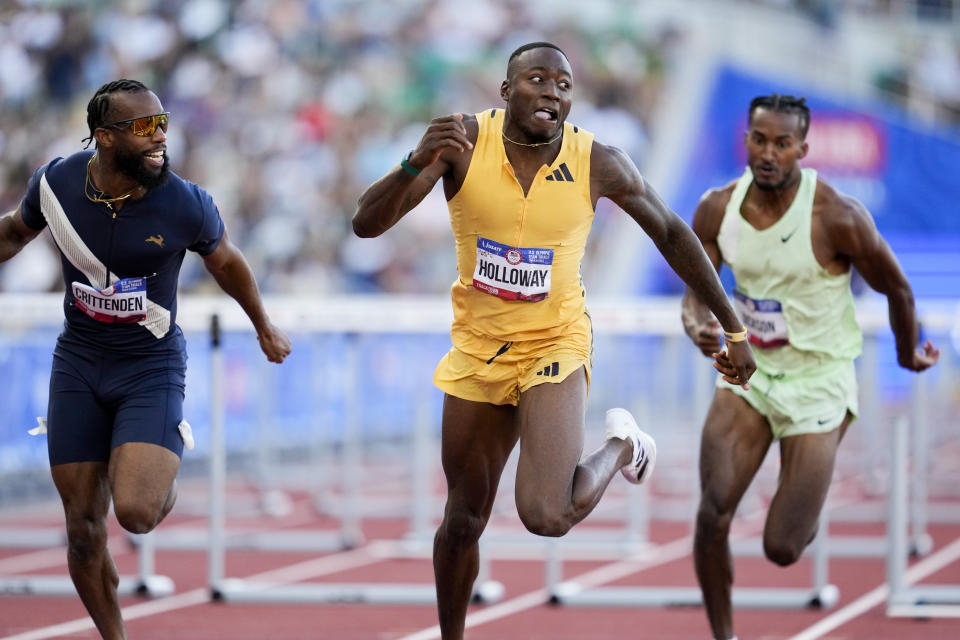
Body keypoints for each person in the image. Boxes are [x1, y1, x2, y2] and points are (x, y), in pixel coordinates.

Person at [353, 42, 756, 639]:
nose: (553, 92)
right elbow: (366, 224)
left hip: (555, 341)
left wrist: (734, 326)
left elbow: (671, 233)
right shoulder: (461, 141)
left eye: (564, 85)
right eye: (537, 79)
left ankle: (621, 446)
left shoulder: (600, 162)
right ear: (506, 90)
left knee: (546, 514)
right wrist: (416, 161)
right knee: (462, 519)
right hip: (477, 348)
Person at [0, 79, 291, 639]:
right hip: (79, 361)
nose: (159, 137)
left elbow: (226, 262)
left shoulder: (185, 202)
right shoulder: (56, 182)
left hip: (149, 366)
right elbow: (14, 231)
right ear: (104, 138)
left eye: (163, 124)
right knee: (83, 530)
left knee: (134, 512)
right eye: (143, 128)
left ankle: (156, 469)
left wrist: (263, 326)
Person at [681, 94, 941, 640]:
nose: (768, 153)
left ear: (803, 147)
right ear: (746, 140)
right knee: (712, 515)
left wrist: (905, 351)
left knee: (782, 547)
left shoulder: (838, 216)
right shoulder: (717, 208)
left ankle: (808, 491)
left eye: (781, 143)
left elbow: (897, 288)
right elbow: (696, 289)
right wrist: (696, 319)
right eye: (759, 140)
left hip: (820, 383)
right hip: (749, 379)